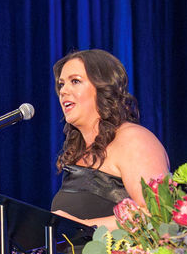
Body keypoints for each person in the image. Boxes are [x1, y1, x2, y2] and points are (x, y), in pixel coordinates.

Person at [50, 49, 169, 229]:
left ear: (103, 88)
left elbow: (158, 215)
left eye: (75, 81)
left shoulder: (134, 140)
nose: (64, 91)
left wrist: (82, 227)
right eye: (61, 84)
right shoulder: (79, 152)